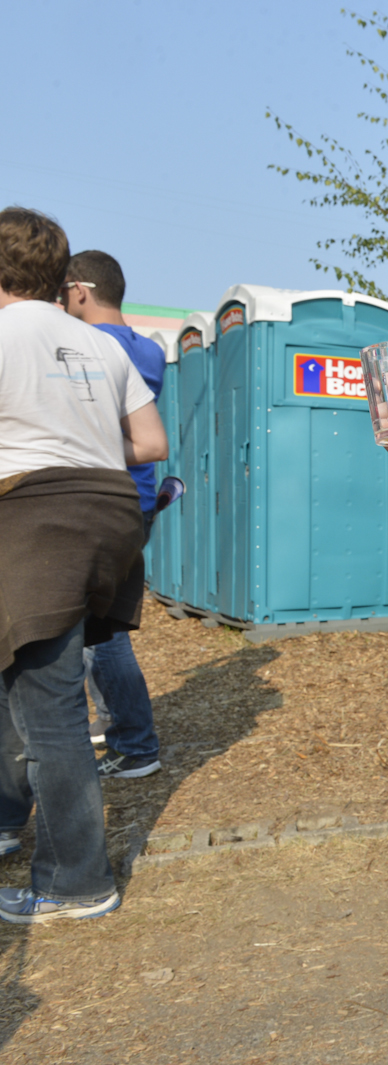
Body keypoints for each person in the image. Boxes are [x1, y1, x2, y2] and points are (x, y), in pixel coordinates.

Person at [0, 206, 167, 922]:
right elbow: (151, 441)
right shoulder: (102, 344)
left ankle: (76, 880)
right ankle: (9, 817)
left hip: (35, 519)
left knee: (51, 709)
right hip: (107, 517)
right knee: (28, 683)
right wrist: (83, 444)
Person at [61, 250, 165, 780]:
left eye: (60, 291)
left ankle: (136, 743)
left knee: (100, 637)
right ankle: (124, 729)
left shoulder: (93, 347)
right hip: (136, 502)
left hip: (100, 502)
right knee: (98, 630)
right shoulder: (147, 348)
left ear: (80, 290)